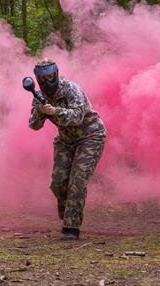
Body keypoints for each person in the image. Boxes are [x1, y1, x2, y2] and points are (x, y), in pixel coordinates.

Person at [28, 58, 106, 240]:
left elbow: (77, 117)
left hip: (91, 136)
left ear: (56, 73)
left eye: (50, 77)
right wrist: (41, 110)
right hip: (65, 141)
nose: (47, 82)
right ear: (37, 80)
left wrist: (54, 111)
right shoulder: (39, 97)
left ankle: (71, 227)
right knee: (58, 182)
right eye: (42, 79)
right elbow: (34, 125)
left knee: (77, 180)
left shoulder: (72, 89)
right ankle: (68, 215)